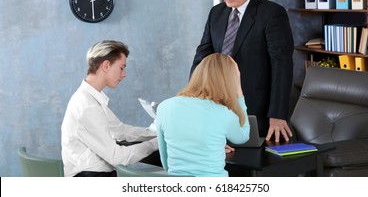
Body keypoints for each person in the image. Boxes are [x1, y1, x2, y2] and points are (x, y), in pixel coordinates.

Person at [190, 0, 294, 142]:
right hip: (216, 104)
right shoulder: (216, 13)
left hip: (255, 107)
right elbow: (202, 56)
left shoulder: (272, 14)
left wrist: (278, 114)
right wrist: (191, 96)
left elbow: (282, 65)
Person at [61, 40, 158, 177]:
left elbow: (120, 130)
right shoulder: (87, 106)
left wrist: (158, 133)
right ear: (106, 66)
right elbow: (117, 157)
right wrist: (157, 143)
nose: (124, 74)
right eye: (121, 68)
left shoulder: (90, 98)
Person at [156, 53, 250, 177]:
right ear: (229, 80)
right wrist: (239, 91)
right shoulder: (224, 113)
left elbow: (166, 163)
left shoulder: (164, 107)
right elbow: (243, 136)